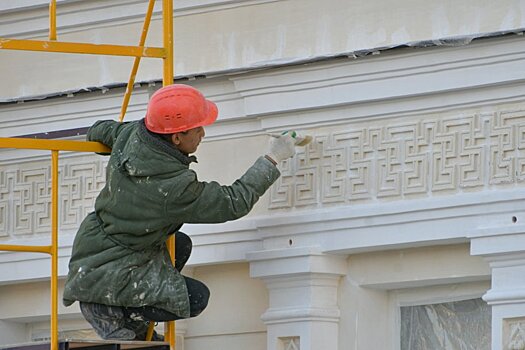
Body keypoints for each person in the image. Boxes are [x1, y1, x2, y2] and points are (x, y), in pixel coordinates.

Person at [62, 84, 297, 340]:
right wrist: (272, 159)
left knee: (180, 244)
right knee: (195, 297)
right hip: (108, 275)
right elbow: (233, 202)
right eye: (197, 129)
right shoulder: (173, 187)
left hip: (92, 250)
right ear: (176, 138)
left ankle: (124, 311)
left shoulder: (132, 134)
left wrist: (111, 148)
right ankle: (116, 310)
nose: (203, 134)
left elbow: (98, 130)